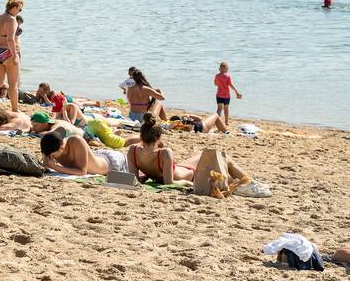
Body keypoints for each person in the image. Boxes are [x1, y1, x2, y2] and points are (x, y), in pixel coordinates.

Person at [127, 114, 269, 196]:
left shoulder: (132, 151)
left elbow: (134, 179)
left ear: (141, 135)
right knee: (225, 158)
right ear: (159, 138)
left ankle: (245, 182)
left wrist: (148, 175)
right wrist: (190, 183)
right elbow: (168, 183)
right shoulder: (165, 152)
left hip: (181, 168)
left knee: (219, 165)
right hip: (191, 174)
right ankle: (250, 183)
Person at [40, 129, 128, 176]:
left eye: (53, 155)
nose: (52, 158)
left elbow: (82, 172)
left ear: (61, 148)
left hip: (112, 163)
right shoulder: (51, 147)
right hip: (95, 156)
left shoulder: (75, 141)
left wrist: (55, 167)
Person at [214, 61, 242, 125]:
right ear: (226, 69)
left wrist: (220, 83)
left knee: (219, 109)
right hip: (226, 96)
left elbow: (215, 84)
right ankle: (226, 122)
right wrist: (236, 92)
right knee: (226, 109)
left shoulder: (217, 76)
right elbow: (231, 85)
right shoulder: (228, 77)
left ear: (219, 69)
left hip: (219, 95)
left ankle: (217, 122)